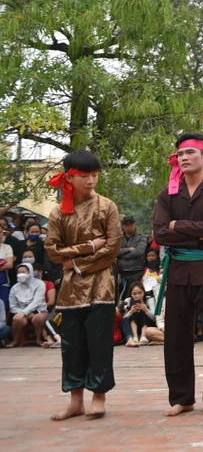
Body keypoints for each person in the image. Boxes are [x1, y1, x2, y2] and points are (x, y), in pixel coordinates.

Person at [151, 132, 203, 416]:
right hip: (177, 272)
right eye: (180, 154)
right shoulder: (167, 194)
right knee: (176, 336)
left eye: (190, 152)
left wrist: (177, 226)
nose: (184, 158)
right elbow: (160, 234)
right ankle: (182, 398)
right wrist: (197, 234)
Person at [43, 150, 122, 420]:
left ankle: (99, 396)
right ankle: (75, 400)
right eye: (84, 176)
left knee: (100, 343)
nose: (90, 181)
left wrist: (76, 263)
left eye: (94, 175)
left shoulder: (107, 206)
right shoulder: (58, 213)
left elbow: (112, 248)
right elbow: (53, 251)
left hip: (102, 284)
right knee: (72, 346)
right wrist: (89, 246)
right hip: (70, 289)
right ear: (69, 178)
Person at [10, 262, 49, 346]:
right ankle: (15, 341)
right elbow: (13, 306)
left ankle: (39, 339)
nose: (21, 274)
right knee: (17, 319)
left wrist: (24, 312)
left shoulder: (40, 284)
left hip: (39, 310)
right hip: (21, 312)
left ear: (30, 272)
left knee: (38, 318)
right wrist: (23, 313)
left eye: (23, 272)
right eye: (19, 272)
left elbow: (37, 301)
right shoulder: (14, 288)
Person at [121, 282, 160, 347]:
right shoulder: (128, 300)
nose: (137, 296)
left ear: (144, 292)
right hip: (133, 326)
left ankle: (143, 336)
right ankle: (134, 337)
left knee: (144, 313)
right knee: (132, 315)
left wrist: (146, 310)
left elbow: (155, 318)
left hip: (147, 326)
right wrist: (131, 312)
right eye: (134, 294)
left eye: (140, 293)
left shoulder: (149, 299)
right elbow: (123, 319)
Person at [117, 216, 149, 291]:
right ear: (123, 226)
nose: (129, 226)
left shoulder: (142, 237)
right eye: (126, 225)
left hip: (136, 271)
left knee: (134, 292)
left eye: (131, 224)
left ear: (135, 225)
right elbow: (115, 252)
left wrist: (121, 255)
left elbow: (139, 252)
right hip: (121, 271)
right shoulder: (118, 237)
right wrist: (128, 249)